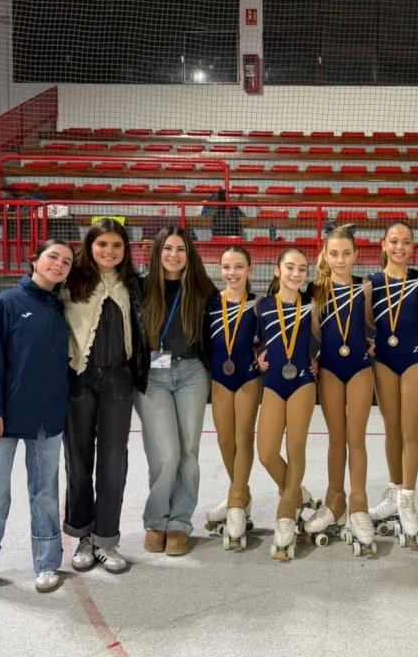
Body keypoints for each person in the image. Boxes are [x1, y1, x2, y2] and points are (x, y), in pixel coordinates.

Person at [0, 240, 74, 601]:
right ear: (34, 261)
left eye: (66, 261)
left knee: (44, 495)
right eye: (52, 257)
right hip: (2, 421)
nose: (59, 264)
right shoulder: (6, 303)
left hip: (46, 420)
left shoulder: (62, 307)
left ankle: (46, 563)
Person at [60, 218, 150, 573]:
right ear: (89, 246)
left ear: (125, 250)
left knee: (114, 463)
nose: (109, 252)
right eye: (102, 245)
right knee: (78, 461)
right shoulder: (71, 281)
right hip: (78, 379)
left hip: (118, 381)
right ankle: (81, 534)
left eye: (116, 245)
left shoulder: (133, 285)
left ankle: (106, 540)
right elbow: (31, 298)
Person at [135, 227, 216, 557]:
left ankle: (180, 521)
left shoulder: (202, 289)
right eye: (167, 248)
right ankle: (156, 518)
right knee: (165, 453)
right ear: (157, 252)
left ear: (189, 253)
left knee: (188, 451)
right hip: (152, 376)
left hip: (191, 374)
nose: (173, 255)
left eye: (180, 249)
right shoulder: (138, 287)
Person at [303, 225, 377, 555]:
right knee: (336, 438)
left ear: (355, 255)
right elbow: (315, 332)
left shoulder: (364, 288)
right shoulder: (316, 289)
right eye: (334, 253)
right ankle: (336, 500)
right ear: (325, 255)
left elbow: (374, 324)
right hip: (331, 368)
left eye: (347, 253)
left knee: (355, 438)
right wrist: (316, 356)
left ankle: (359, 504)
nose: (340, 259)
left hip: (360, 367)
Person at [367, 221, 418, 547]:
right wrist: (369, 339)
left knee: (409, 429)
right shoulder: (371, 284)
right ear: (383, 244)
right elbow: (362, 318)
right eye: (394, 241)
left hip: (414, 358)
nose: (400, 247)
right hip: (385, 362)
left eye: (406, 242)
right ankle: (393, 489)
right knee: (391, 427)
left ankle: (407, 496)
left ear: (413, 246)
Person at [255, 248, 319, 560]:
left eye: (302, 269)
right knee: (266, 452)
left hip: (302, 382)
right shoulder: (262, 305)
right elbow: (249, 339)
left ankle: (285, 513)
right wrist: (257, 353)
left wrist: (317, 358)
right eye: (290, 267)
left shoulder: (311, 305)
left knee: (295, 449)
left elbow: (331, 335)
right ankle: (298, 493)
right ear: (277, 270)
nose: (296, 274)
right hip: (272, 384)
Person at [204, 246, 262, 549]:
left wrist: (263, 355)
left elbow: (269, 340)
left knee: (243, 438)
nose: (232, 273)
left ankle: (236, 501)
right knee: (225, 440)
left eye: (239, 267)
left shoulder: (257, 305)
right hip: (219, 378)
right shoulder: (211, 303)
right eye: (227, 267)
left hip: (248, 378)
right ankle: (241, 493)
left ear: (249, 270)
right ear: (220, 270)